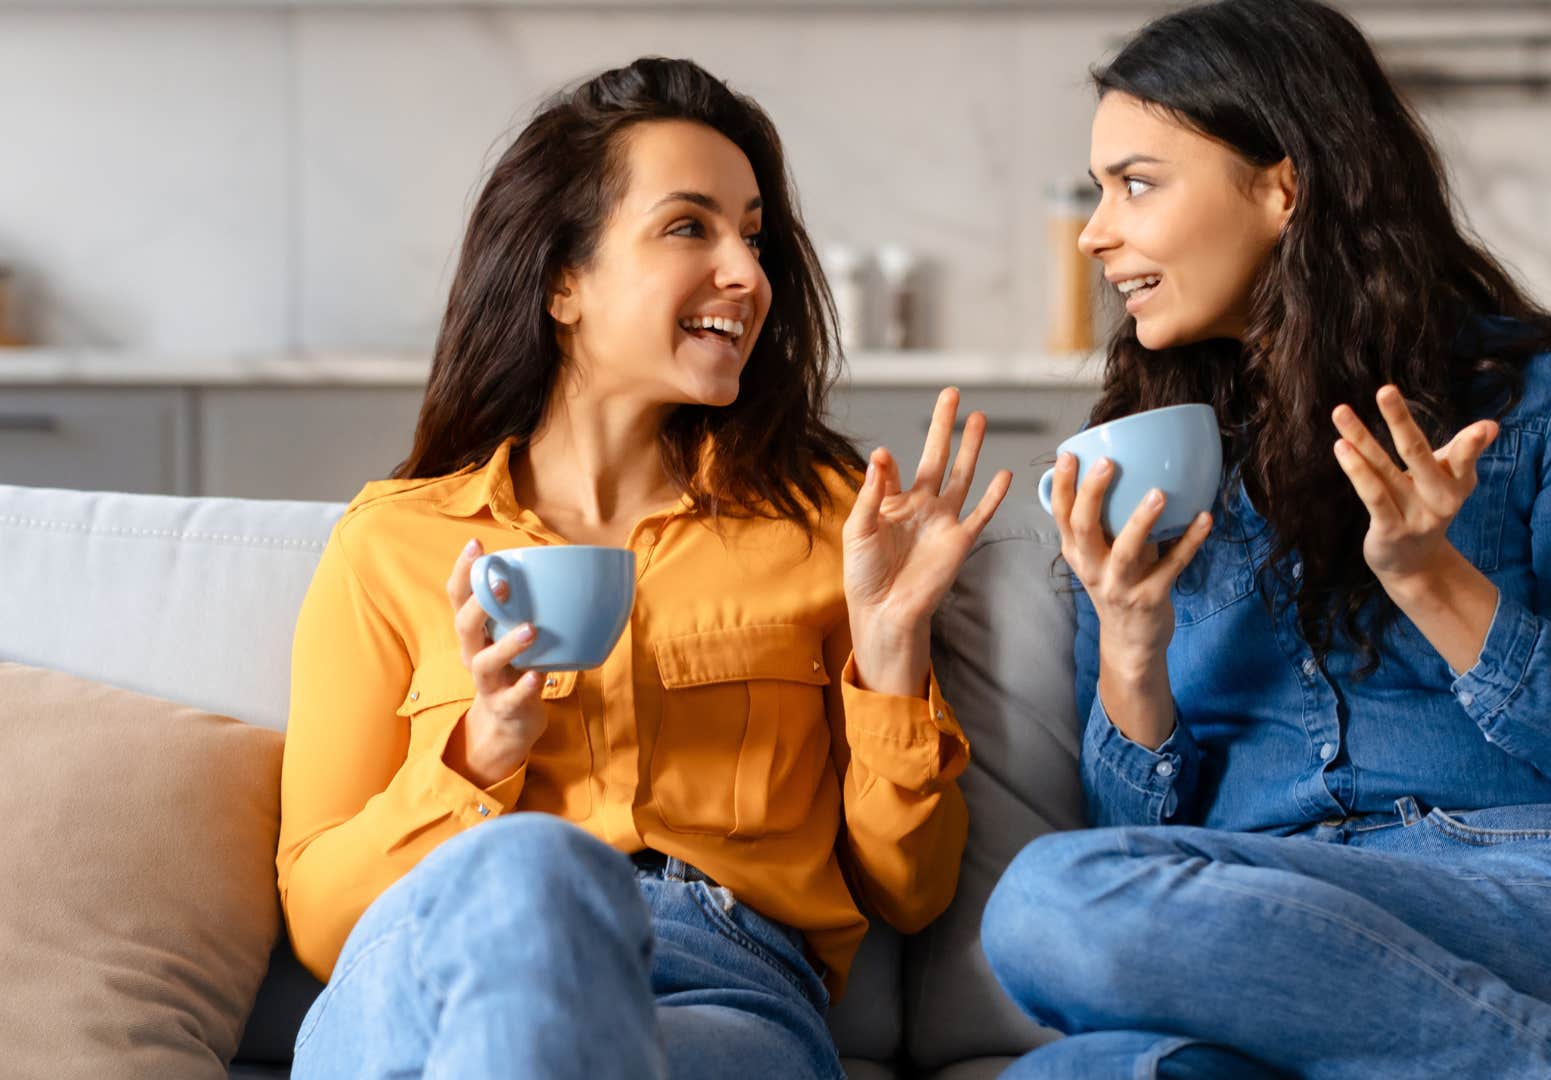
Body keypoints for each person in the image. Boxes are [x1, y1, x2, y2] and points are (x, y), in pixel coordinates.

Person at [980, 3, 1551, 1078]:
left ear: (1281, 185)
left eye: (1138, 183)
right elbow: (1132, 828)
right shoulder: (1143, 449)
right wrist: (1128, 638)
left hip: (1533, 893)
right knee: (1068, 1058)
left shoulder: (1544, 387)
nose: (1095, 231)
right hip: (1264, 927)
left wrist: (1430, 577)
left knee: (1046, 902)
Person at [277, 56, 1011, 1079]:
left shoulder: (827, 525)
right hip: (426, 973)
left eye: (753, 236)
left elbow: (910, 888)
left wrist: (889, 653)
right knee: (531, 872)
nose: (749, 274)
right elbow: (320, 918)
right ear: (560, 281)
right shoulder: (391, 542)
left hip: (716, 990)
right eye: (689, 227)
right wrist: (482, 755)